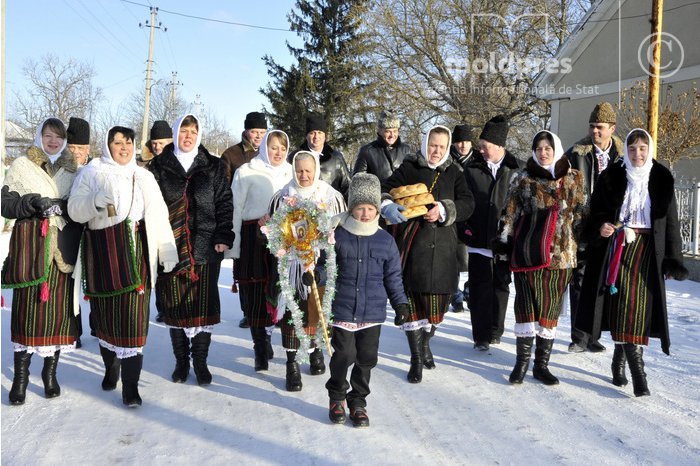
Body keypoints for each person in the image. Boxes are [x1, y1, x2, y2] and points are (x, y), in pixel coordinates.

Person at [68, 126, 178, 407]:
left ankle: (131, 387)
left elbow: (158, 215)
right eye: (118, 142)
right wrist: (93, 202)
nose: (124, 147)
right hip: (103, 251)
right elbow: (74, 210)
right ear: (108, 145)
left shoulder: (144, 176)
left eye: (128, 142)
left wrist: (166, 251)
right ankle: (110, 366)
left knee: (135, 319)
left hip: (137, 250)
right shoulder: (91, 172)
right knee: (106, 315)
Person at [576, 129, 687, 397]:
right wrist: (601, 226)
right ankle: (639, 373)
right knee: (623, 303)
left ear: (649, 150)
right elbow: (596, 213)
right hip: (618, 249)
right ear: (626, 149)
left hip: (648, 252)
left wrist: (673, 259)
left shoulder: (661, 178)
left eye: (642, 148)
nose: (638, 153)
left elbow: (671, 223)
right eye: (633, 148)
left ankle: (619, 355)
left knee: (639, 307)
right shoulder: (612, 176)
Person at [381, 125, 474, 383]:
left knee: (437, 309)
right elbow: (386, 189)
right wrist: (387, 206)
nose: (437, 151)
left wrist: (444, 209)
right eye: (433, 145)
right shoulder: (411, 167)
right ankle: (415, 358)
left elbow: (468, 203)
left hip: (444, 249)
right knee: (412, 304)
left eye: (442, 147)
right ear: (425, 143)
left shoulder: (455, 172)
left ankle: (425, 342)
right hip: (413, 246)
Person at [493, 131, 586, 385]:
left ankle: (541, 365)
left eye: (547, 147)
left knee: (549, 310)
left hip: (562, 255)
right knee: (526, 307)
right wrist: (503, 244)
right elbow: (509, 213)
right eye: (539, 148)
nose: (543, 152)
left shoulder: (573, 177)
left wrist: (585, 246)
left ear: (556, 148)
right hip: (528, 252)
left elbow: (580, 214)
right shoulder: (523, 178)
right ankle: (521, 363)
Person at [148, 114, 234, 386]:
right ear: (175, 133)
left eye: (193, 131)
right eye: (183, 131)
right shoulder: (158, 167)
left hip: (205, 245)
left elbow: (224, 202)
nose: (188, 136)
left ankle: (200, 361)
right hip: (170, 245)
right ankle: (181, 361)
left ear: (199, 134)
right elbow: (151, 206)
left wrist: (223, 235)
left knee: (203, 305)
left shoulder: (214, 166)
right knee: (175, 304)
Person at [2, 117, 81, 405]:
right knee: (26, 312)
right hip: (31, 249)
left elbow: (80, 208)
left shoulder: (75, 170)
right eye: (48, 136)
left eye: (58, 137)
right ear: (39, 136)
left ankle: (50, 375)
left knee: (57, 316)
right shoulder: (22, 166)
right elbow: (6, 204)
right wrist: (33, 202)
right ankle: (20, 380)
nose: (53, 141)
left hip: (62, 250)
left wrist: (67, 208)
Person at [325, 173, 409, 428]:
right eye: (360, 208)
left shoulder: (385, 240)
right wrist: (314, 275)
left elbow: (393, 276)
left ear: (377, 210)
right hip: (343, 307)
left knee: (366, 358)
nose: (365, 214)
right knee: (344, 355)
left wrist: (400, 304)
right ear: (351, 208)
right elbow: (325, 266)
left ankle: (358, 401)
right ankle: (337, 396)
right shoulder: (337, 235)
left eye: (370, 208)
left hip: (372, 312)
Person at [269, 151, 346, 391]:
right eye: (299, 171)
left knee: (317, 310)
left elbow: (341, 230)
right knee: (294, 313)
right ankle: (292, 365)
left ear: (315, 171)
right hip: (292, 265)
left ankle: (315, 352)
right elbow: (273, 230)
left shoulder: (330, 196)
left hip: (320, 263)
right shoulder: (283, 196)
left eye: (308, 171)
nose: (303, 176)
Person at [230, 130, 293, 371]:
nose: (278, 152)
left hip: (284, 240)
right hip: (252, 238)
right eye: (274, 147)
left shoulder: (291, 172)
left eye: (282, 148)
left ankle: (271, 337)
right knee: (255, 293)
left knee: (278, 291)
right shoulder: (246, 172)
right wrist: (233, 246)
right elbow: (235, 208)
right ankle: (260, 346)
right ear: (265, 147)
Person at [461, 115, 524, 351]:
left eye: (485, 147)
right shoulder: (472, 169)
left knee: (500, 285)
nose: (481, 150)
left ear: (499, 146)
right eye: (480, 146)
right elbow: (464, 201)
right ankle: (481, 336)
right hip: (477, 236)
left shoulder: (516, 169)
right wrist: (464, 228)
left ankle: (496, 331)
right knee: (478, 287)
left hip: (504, 240)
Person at [566, 102, 624, 353]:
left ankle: (594, 335)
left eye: (600, 127)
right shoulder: (576, 154)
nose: (595, 131)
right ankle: (579, 337)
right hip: (582, 225)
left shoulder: (622, 157)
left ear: (612, 128)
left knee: (601, 281)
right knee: (580, 280)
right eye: (592, 126)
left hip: (611, 226)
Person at [221, 111, 268, 329]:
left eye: (262, 132)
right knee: (245, 270)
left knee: (268, 269)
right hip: (243, 219)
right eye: (254, 131)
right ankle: (248, 311)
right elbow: (224, 189)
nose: (258, 136)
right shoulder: (232, 155)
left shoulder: (271, 152)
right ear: (246, 131)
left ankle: (269, 309)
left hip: (268, 222)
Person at [65, 116, 92, 345]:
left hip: (91, 235)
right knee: (70, 286)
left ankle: (98, 325)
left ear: (88, 149)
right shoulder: (62, 170)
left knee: (92, 284)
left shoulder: (95, 171)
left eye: (80, 148)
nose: (76, 152)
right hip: (68, 235)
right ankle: (74, 330)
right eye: (71, 147)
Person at [289, 114, 351, 199]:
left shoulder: (336, 157)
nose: (316, 136)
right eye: (312, 133)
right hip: (301, 207)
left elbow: (347, 186)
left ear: (325, 136)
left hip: (331, 206)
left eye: (319, 132)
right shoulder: (295, 157)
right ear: (306, 136)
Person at [449, 123, 475, 312]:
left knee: (473, 257)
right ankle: (454, 294)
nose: (462, 146)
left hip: (474, 214)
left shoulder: (478, 160)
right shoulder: (448, 160)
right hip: (452, 212)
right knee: (453, 259)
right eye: (459, 142)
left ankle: (469, 290)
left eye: (466, 141)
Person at [353, 110, 414, 183]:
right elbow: (357, 182)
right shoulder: (367, 151)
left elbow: (412, 175)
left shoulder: (406, 150)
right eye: (388, 131)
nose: (392, 135)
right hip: (377, 193)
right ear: (380, 131)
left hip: (402, 193)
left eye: (395, 131)